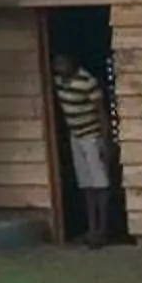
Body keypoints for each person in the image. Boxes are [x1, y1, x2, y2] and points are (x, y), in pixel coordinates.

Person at [52, 48, 117, 247]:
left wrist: (106, 142)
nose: (59, 67)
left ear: (73, 64)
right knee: (86, 185)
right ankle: (92, 229)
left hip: (92, 136)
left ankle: (102, 231)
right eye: (57, 64)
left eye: (63, 63)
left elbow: (101, 113)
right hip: (76, 137)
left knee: (101, 184)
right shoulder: (58, 81)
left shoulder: (87, 82)